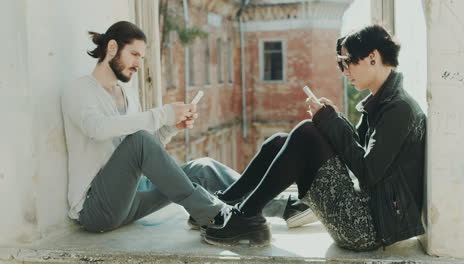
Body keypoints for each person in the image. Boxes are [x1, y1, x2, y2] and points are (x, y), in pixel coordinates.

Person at [61, 21, 315, 233]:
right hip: (97, 210)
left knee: (202, 168)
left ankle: (285, 207)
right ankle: (217, 216)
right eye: (134, 54)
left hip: (133, 197)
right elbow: (98, 128)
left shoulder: (128, 94)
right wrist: (162, 114)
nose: (139, 63)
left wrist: (171, 127)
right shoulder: (78, 90)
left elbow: (147, 148)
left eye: (142, 57)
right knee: (139, 140)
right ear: (112, 48)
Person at [202, 24, 426, 251]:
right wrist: (333, 119)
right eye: (341, 63)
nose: (345, 71)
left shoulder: (398, 108)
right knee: (279, 141)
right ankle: (228, 204)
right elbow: (361, 154)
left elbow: (367, 172)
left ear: (372, 57)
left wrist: (330, 121)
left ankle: (245, 218)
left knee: (306, 132)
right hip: (371, 213)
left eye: (348, 61)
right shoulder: (385, 103)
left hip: (370, 229)